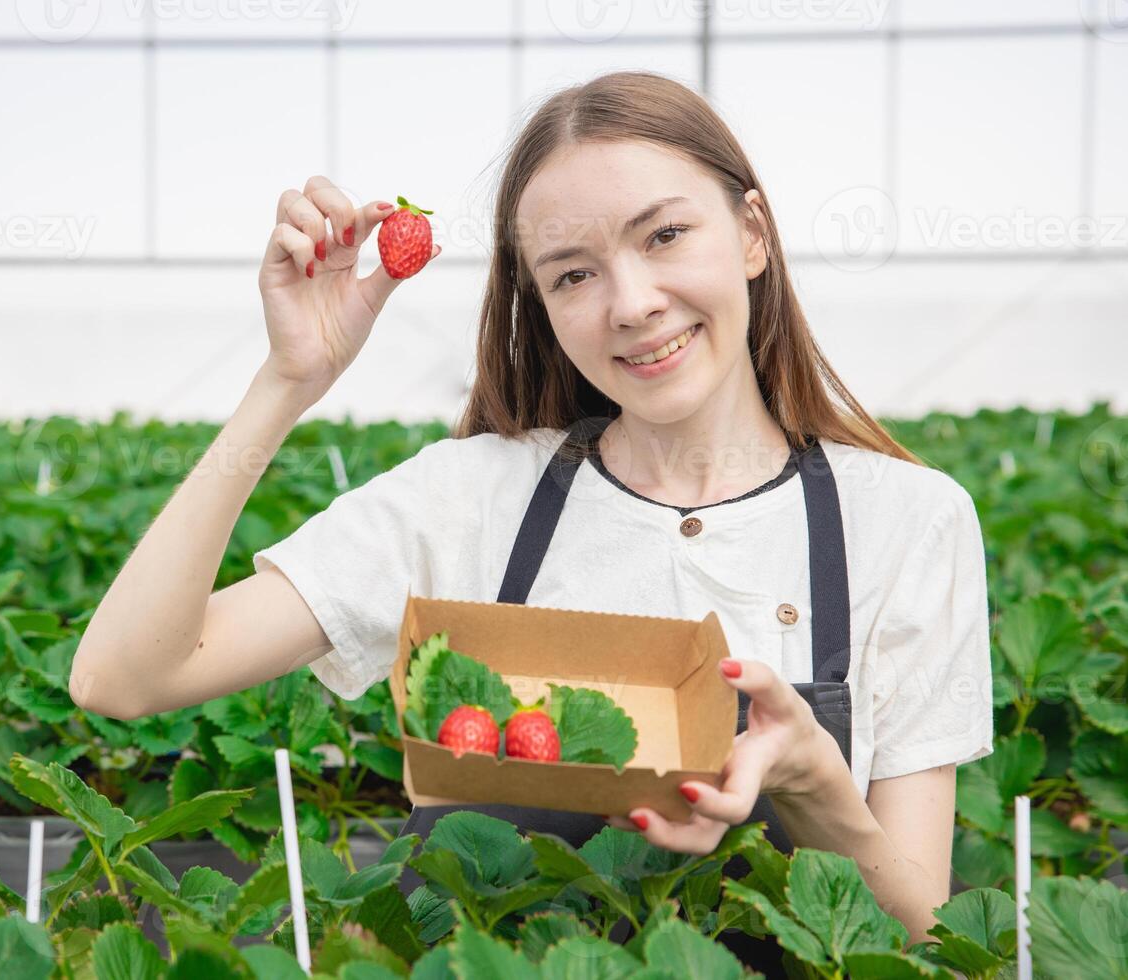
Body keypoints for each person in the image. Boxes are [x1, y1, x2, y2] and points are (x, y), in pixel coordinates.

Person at [69, 70, 994, 977]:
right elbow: (126, 676)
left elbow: (922, 937)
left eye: (665, 234)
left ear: (752, 233)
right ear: (543, 309)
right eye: (573, 274)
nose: (631, 303)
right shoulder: (471, 499)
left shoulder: (907, 522)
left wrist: (816, 784)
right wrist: (290, 380)